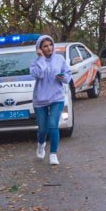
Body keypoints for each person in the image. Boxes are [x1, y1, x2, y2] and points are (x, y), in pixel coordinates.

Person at [30, 34, 72, 166]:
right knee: (43, 128)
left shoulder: (59, 59)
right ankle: (41, 144)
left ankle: (53, 154)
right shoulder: (35, 62)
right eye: (45, 46)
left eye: (50, 45)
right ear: (40, 48)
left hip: (56, 97)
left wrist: (63, 77)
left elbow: (68, 76)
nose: (49, 48)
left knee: (53, 124)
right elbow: (38, 74)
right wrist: (41, 58)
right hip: (40, 99)